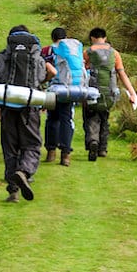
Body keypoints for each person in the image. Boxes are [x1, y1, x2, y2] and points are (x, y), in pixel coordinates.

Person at [0, 25, 56, 203]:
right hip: (30, 105)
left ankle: (13, 191)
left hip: (8, 104)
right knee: (31, 145)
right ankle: (23, 172)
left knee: (10, 148)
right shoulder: (36, 54)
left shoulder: (3, 54)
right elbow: (52, 72)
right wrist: (40, 85)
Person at [83, 27, 137, 161]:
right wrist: (132, 93)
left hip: (92, 91)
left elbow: (82, 72)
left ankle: (92, 142)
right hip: (109, 93)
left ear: (92, 38)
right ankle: (102, 148)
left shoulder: (88, 52)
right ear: (105, 38)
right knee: (104, 119)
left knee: (91, 118)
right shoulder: (114, 53)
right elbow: (121, 73)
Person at [41, 27, 86, 167]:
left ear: (52, 38)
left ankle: (51, 152)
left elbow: (42, 68)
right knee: (66, 119)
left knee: (52, 119)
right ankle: (65, 155)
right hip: (70, 89)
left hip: (52, 90)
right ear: (66, 37)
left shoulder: (47, 51)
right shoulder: (74, 50)